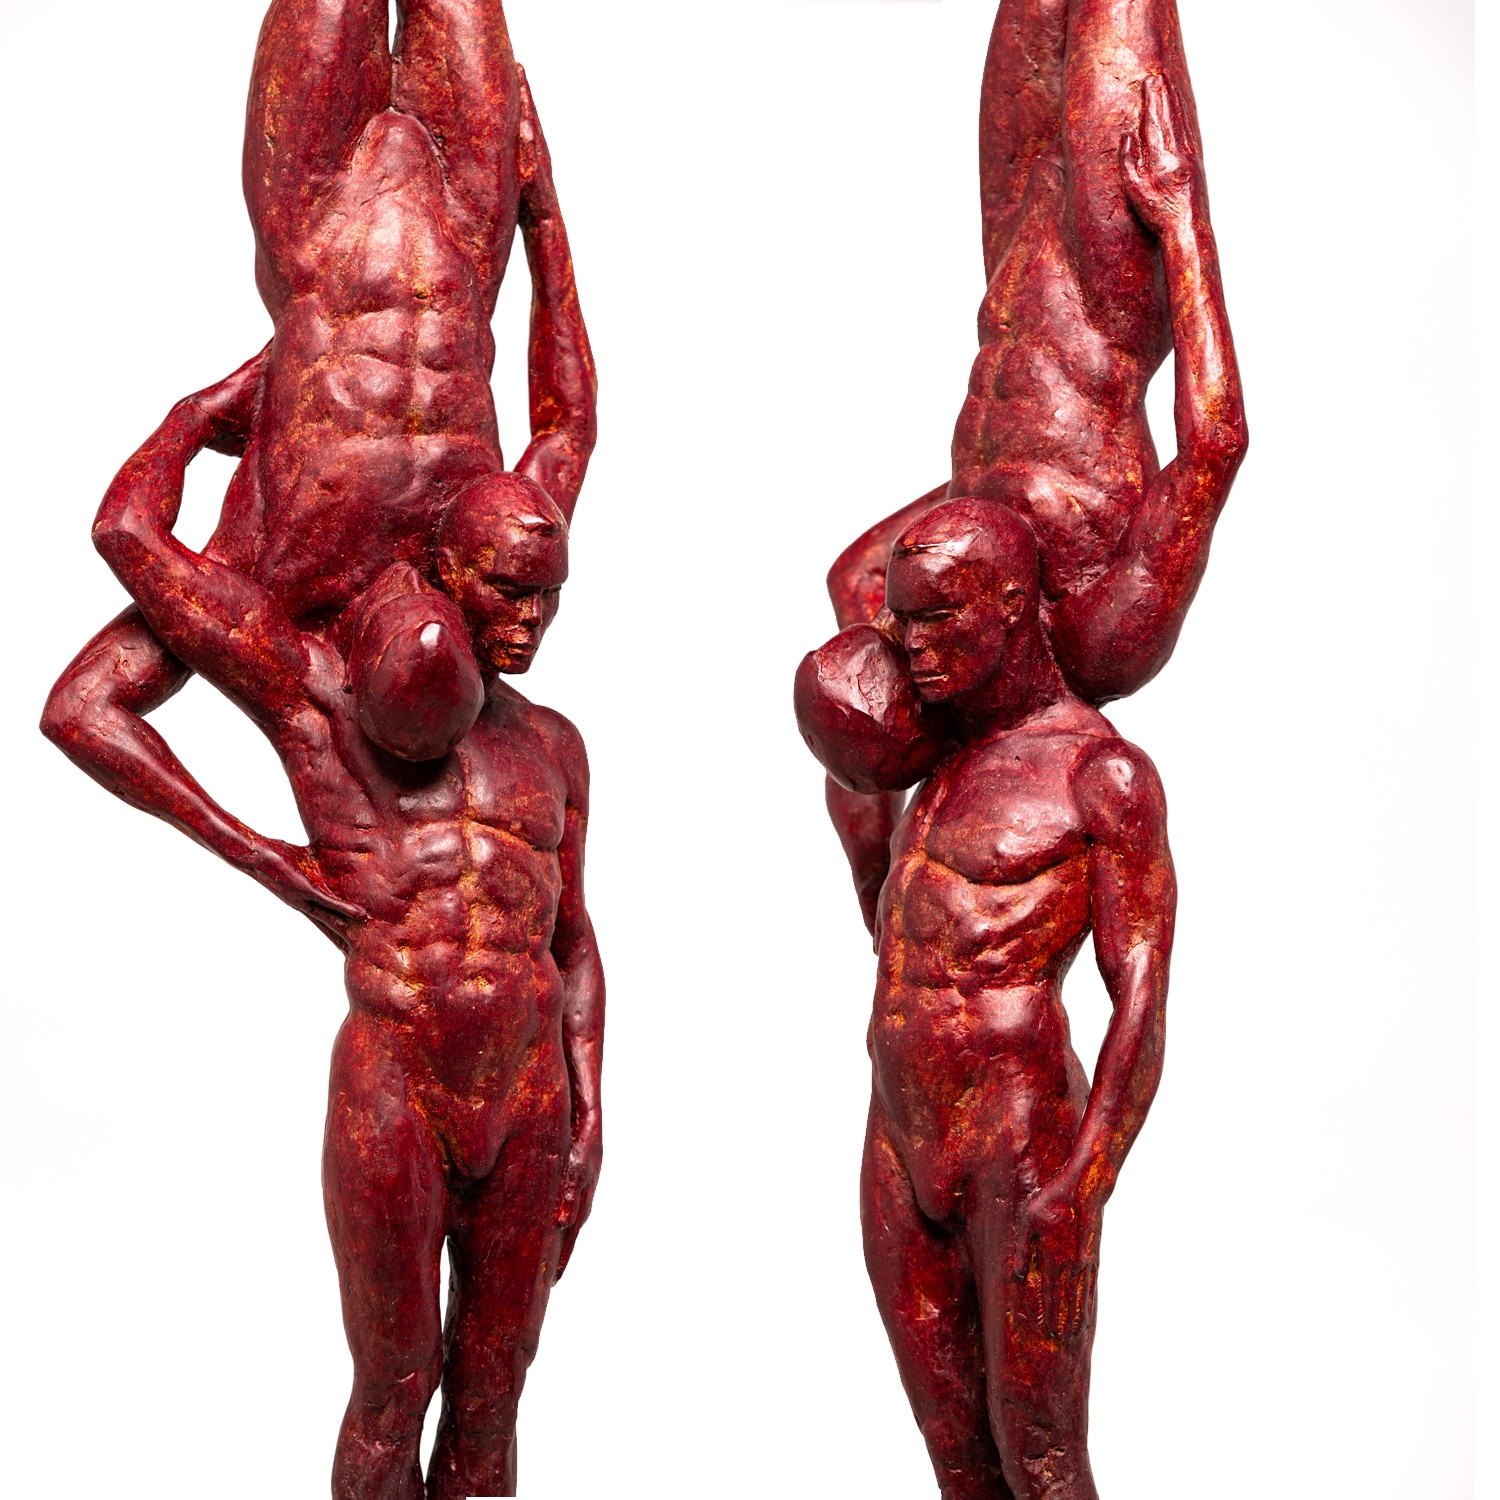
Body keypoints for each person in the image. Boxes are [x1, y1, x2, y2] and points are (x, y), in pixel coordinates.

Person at [90, 396, 603, 1500]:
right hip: (399, 1071)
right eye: (510, 591)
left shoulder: (556, 747)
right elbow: (122, 547)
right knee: (395, 1382)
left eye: (551, 596)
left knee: (493, 1391)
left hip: (529, 1092)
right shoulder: (324, 696)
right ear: (446, 572)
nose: (533, 620)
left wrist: (590, 1110)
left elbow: (575, 944)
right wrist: (203, 415)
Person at [42, 0, 597, 915]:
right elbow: (568, 417)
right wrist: (540, 197)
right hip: (469, 227)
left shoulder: (268, 592)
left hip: (315, 212)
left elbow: (83, 704)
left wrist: (197, 414)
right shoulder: (509, 546)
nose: (526, 623)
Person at [823, 0, 1244, 936]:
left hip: (1011, 269)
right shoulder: (1101, 640)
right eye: (907, 643)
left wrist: (875, 880)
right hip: (1106, 301)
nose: (900, 642)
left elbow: (850, 581)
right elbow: (1215, 446)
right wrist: (1183, 224)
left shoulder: (930, 602)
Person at [795, 497, 1175, 1500]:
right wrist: (977, 484)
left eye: (936, 618)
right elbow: (849, 578)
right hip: (898, 1135)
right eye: (902, 619)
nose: (907, 643)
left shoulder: (1100, 775)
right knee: (959, 1463)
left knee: (1039, 1455)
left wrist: (1087, 1179)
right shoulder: (929, 754)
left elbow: (1140, 1000)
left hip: (1020, 1136)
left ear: (1011, 602)